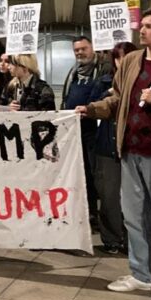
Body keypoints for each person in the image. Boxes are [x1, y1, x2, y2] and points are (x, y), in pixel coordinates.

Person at [80, 7, 151, 300]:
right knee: (134, 218)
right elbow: (118, 99)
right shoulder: (130, 61)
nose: (142, 30)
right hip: (130, 152)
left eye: (150, 26)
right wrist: (93, 109)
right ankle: (141, 274)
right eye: (142, 25)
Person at [62, 36, 110, 229]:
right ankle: (88, 212)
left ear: (92, 48)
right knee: (82, 174)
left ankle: (104, 218)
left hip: (95, 131)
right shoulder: (73, 72)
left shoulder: (103, 70)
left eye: (83, 48)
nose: (80, 53)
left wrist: (90, 109)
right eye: (76, 50)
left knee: (97, 175)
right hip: (75, 131)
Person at [94, 41, 137, 255]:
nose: (122, 61)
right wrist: (108, 93)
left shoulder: (143, 82)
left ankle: (133, 240)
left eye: (126, 56)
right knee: (108, 196)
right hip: (107, 145)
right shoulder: (104, 81)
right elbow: (92, 104)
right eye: (118, 57)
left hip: (131, 146)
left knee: (134, 198)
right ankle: (111, 238)